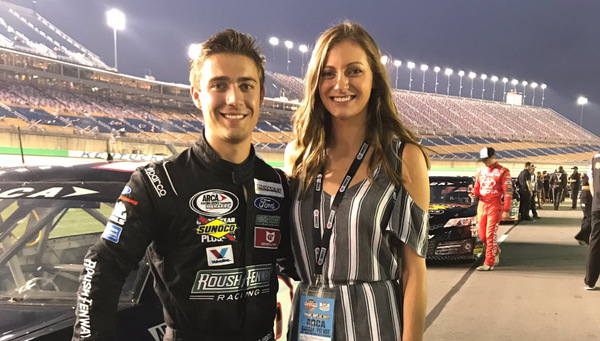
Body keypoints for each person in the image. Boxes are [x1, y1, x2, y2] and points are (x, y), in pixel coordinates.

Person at [72, 29, 295, 341]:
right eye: (219, 85)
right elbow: (103, 266)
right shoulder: (157, 183)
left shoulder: (276, 183)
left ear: (260, 96)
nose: (234, 99)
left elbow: (300, 264)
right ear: (197, 95)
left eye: (246, 85)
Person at [285, 22, 429, 341]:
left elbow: (414, 272)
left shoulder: (403, 158)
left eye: (353, 71)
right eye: (328, 72)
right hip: (308, 324)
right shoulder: (298, 156)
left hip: (375, 325)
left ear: (374, 78)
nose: (340, 84)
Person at [470, 147, 513, 271]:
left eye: (486, 159)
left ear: (493, 157)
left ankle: (489, 262)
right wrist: (474, 193)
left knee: (490, 235)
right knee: (482, 235)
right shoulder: (481, 172)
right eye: (482, 160)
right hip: (481, 205)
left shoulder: (503, 171)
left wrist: (506, 209)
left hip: (494, 205)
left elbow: (508, 192)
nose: (484, 162)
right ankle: (496, 250)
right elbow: (477, 188)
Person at [585, 152, 600, 290]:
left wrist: (596, 199)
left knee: (595, 242)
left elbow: (591, 181)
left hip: (597, 206)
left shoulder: (595, 158)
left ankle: (590, 281)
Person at [575, 171, 592, 245]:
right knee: (590, 217)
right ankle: (581, 236)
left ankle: (584, 238)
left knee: (586, 217)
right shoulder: (590, 175)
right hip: (586, 198)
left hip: (588, 198)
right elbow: (586, 186)